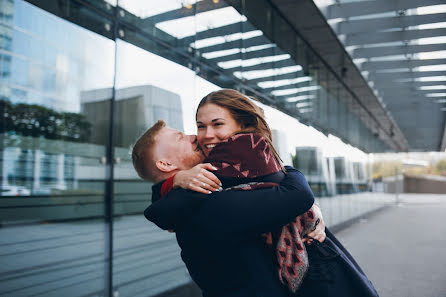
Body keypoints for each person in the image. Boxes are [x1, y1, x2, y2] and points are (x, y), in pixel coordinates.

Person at [133, 89, 379, 297]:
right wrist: (293, 177)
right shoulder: (209, 204)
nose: (198, 136)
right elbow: (296, 197)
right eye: (188, 133)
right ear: (165, 165)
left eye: (217, 124)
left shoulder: (211, 189)